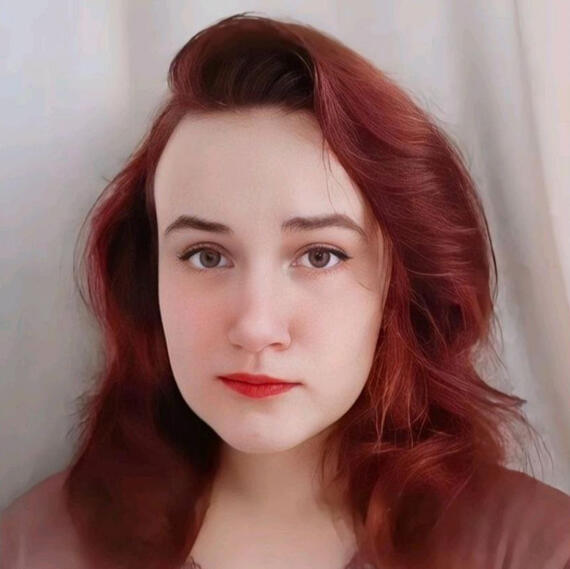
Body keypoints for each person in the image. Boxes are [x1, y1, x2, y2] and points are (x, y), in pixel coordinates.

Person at [1, 12, 569, 569]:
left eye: (320, 256)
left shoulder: (537, 550)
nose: (255, 326)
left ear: (402, 283)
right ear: (146, 279)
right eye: (206, 256)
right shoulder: (32, 550)